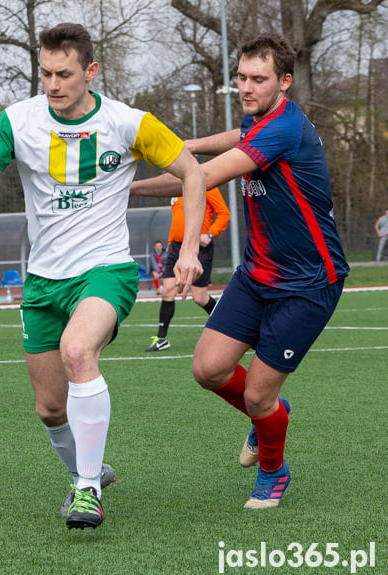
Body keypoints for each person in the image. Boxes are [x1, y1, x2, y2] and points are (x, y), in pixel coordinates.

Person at [0, 23, 206, 530]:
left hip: (105, 269)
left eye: (64, 73)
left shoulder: (128, 122)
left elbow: (193, 172)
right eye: (45, 73)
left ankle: (88, 490)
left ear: (90, 71)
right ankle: (87, 472)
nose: (53, 83)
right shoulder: (17, 120)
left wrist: (189, 249)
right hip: (43, 279)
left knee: (78, 351)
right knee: (50, 408)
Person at [131, 34, 348, 509]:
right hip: (256, 275)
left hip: (307, 283)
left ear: (284, 82)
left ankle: (274, 471)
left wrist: (125, 187)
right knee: (208, 369)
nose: (247, 87)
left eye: (258, 79)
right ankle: (268, 417)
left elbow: (201, 175)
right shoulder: (258, 122)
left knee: (257, 396)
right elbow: (225, 139)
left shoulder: (283, 130)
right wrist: (170, 144)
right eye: (242, 78)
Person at [146, 187, 229, 352]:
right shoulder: (178, 187)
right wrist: (170, 241)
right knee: (167, 290)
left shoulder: (207, 184)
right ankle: (162, 338)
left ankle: (231, 328)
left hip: (198, 248)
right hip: (176, 247)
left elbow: (224, 214)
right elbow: (177, 219)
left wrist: (210, 234)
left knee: (200, 297)